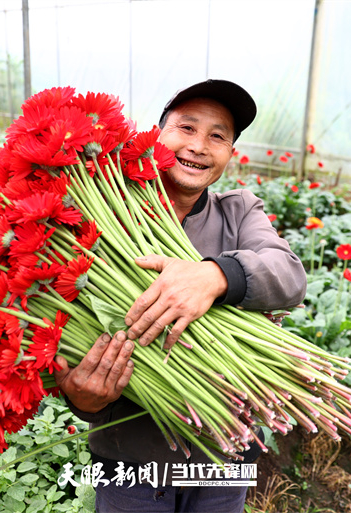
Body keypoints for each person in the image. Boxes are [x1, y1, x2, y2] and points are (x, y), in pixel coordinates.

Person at [54, 79, 307, 512]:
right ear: (156, 135)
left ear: (230, 153)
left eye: (218, 136)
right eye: (186, 128)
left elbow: (289, 276)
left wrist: (214, 276)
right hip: (129, 459)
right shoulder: (99, 216)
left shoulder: (239, 210)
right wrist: (81, 399)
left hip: (224, 453)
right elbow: (67, 335)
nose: (199, 145)